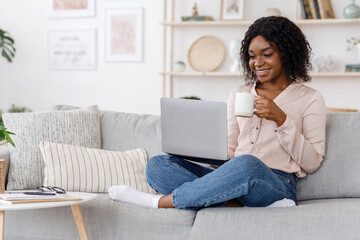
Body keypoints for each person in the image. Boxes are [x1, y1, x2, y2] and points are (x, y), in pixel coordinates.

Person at [108, 16, 326, 210]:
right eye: (251, 56)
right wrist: (201, 149)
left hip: (275, 183)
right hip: (231, 174)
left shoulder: (310, 98)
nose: (257, 63)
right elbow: (231, 149)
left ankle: (159, 202)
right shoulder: (239, 93)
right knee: (158, 165)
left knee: (246, 164)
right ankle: (231, 202)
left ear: (287, 54)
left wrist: (281, 119)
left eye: (266, 54)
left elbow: (313, 161)